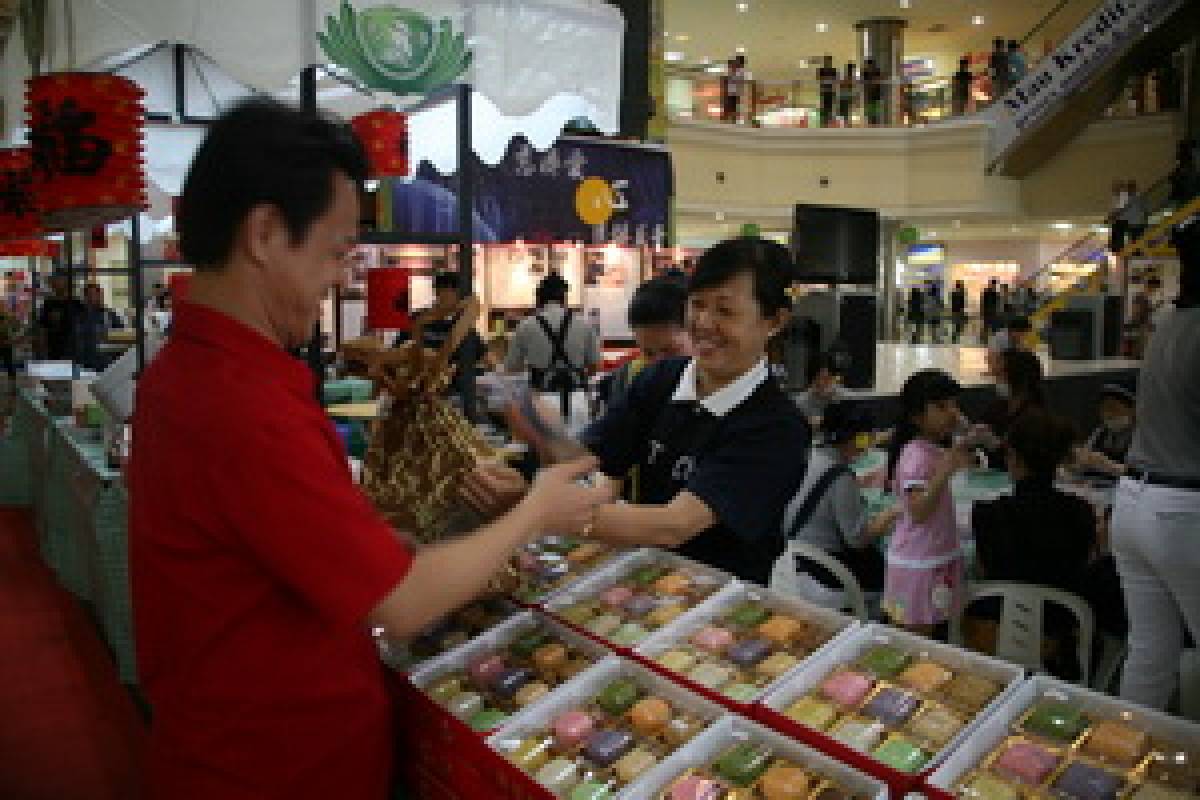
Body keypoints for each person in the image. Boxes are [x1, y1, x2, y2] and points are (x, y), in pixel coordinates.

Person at [128, 98, 606, 799]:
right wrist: (536, 508)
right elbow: (402, 604)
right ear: (264, 233)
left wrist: (388, 537)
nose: (340, 279)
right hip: (275, 767)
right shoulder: (241, 402)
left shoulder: (199, 368)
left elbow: (284, 549)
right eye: (335, 252)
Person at [578, 237, 813, 584]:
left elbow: (675, 525)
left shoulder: (776, 427)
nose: (703, 323)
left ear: (774, 321)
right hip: (645, 580)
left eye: (725, 310)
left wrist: (551, 514)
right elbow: (603, 459)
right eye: (697, 304)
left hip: (721, 605)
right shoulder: (661, 378)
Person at [1112, 213, 1200, 709]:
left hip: (1135, 501)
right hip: (1184, 511)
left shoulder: (1167, 325)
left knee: (1148, 656)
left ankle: (1125, 764)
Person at [970, 410, 1098, 680]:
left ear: (1013, 457)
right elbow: (1083, 566)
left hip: (996, 631)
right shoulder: (1082, 512)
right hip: (1060, 632)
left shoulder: (988, 513)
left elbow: (982, 571)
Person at [771, 401, 899, 605]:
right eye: (866, 439)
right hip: (825, 571)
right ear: (853, 438)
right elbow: (857, 540)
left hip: (792, 562)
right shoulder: (840, 477)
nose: (868, 446)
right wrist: (890, 514)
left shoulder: (809, 455)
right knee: (895, 575)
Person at [883, 370, 974, 635]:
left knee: (928, 639)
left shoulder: (932, 448)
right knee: (915, 645)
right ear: (916, 416)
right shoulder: (915, 455)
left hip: (931, 559)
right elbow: (919, 511)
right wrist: (944, 472)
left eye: (955, 404)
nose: (952, 413)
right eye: (941, 406)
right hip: (918, 566)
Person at [505, 272, 601, 433]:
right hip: (577, 400)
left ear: (539, 298)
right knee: (578, 453)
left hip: (541, 399)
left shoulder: (526, 325)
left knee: (547, 453)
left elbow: (512, 367)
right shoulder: (584, 324)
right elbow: (595, 366)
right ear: (564, 297)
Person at [598, 276, 690, 411]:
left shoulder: (719, 385)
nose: (658, 363)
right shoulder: (628, 380)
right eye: (648, 353)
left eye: (670, 351)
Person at [978, 348, 1045, 469]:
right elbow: (980, 428)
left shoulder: (1035, 416)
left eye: (1001, 375)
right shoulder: (998, 407)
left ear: (1018, 379)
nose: (997, 380)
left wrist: (997, 446)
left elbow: (1027, 461)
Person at [1074, 383, 1137, 478]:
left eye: (1113, 408)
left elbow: (1141, 473)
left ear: (1132, 410)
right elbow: (1084, 457)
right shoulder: (1100, 433)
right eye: (1103, 409)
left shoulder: (1141, 436)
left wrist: (1112, 467)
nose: (1108, 414)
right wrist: (1081, 461)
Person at [35, 273, 83, 361]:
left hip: (74, 349)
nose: (56, 284)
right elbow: (42, 327)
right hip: (53, 348)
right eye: (54, 282)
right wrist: (41, 347)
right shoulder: (48, 304)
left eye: (60, 281)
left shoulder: (77, 304)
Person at [78, 283, 125, 371]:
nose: (94, 298)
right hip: (85, 366)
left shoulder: (110, 316)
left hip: (107, 365)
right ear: (85, 297)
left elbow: (122, 339)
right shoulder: (79, 317)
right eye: (90, 295)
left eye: (97, 294)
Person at [794, 351, 846, 423]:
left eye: (828, 378)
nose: (824, 383)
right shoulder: (801, 402)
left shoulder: (840, 394)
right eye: (822, 378)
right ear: (812, 381)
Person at [722, 54, 749, 124]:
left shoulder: (741, 71)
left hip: (735, 92)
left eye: (737, 61)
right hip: (730, 92)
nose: (736, 63)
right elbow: (726, 79)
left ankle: (733, 121)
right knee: (728, 106)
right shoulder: (732, 70)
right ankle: (728, 120)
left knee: (733, 107)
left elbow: (739, 80)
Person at [818, 55, 838, 127]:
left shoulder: (833, 70)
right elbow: (820, 79)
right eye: (826, 60)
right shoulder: (821, 70)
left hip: (831, 90)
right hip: (824, 90)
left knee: (830, 105)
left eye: (829, 61)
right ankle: (823, 120)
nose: (827, 62)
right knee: (824, 105)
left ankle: (829, 120)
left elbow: (835, 80)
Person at [862, 59, 883, 126]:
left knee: (876, 108)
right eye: (868, 66)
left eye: (870, 65)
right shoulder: (865, 73)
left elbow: (880, 79)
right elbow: (863, 83)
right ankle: (870, 122)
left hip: (876, 93)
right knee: (869, 108)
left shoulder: (877, 71)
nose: (869, 67)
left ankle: (875, 122)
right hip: (868, 93)